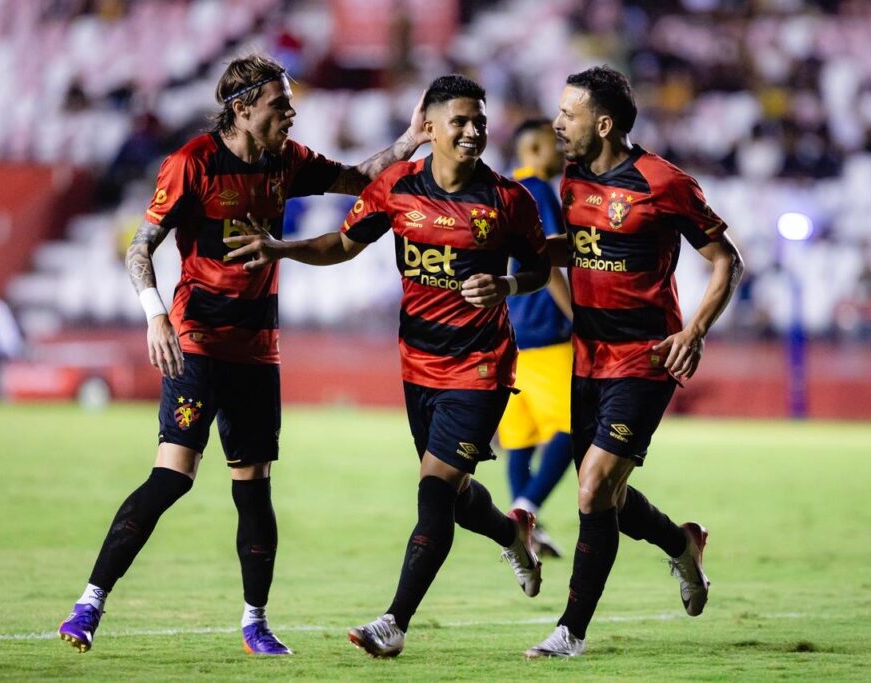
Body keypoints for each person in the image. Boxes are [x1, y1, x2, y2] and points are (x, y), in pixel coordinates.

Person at [57, 52, 430, 656]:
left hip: (257, 349)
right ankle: (89, 603)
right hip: (197, 342)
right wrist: (155, 314)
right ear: (242, 107)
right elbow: (140, 245)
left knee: (254, 488)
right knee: (171, 477)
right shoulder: (193, 163)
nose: (292, 113)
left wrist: (411, 139)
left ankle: (255, 623)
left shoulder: (288, 160)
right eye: (281, 104)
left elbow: (360, 178)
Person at [224, 75, 550, 658]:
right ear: (431, 127)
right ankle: (512, 532)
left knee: (434, 492)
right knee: (453, 494)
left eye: (479, 121)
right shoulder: (397, 187)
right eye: (460, 121)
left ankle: (393, 623)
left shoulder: (508, 199)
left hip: (481, 365)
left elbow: (540, 269)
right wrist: (280, 249)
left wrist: (505, 285)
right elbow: (343, 244)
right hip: (417, 363)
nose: (473, 131)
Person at [524, 66, 744, 658]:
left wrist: (695, 331)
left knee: (594, 488)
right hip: (587, 358)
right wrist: (519, 253)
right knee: (608, 501)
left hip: (646, 358)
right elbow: (578, 249)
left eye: (567, 114)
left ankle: (570, 631)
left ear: (603, 124)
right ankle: (682, 544)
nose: (557, 123)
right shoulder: (571, 178)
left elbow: (727, 260)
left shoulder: (663, 182)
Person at [499, 118, 574, 559]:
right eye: (552, 143)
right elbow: (547, 262)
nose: (561, 149)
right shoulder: (539, 191)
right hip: (546, 333)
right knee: (573, 428)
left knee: (520, 438)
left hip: (511, 335)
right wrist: (577, 315)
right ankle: (525, 510)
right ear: (530, 148)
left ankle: (525, 528)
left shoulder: (503, 192)